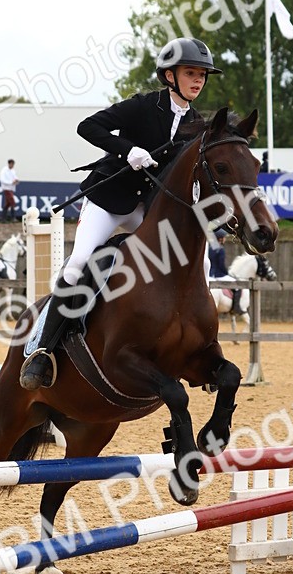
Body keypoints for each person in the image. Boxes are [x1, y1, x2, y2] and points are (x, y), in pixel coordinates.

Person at [20, 36, 223, 390]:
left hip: (146, 207)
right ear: (169, 76)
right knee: (79, 260)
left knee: (201, 263)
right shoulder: (143, 106)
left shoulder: (196, 124)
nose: (198, 81)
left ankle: (198, 350)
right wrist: (128, 150)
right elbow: (89, 127)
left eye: (202, 75)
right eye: (191, 73)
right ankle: (42, 351)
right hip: (109, 199)